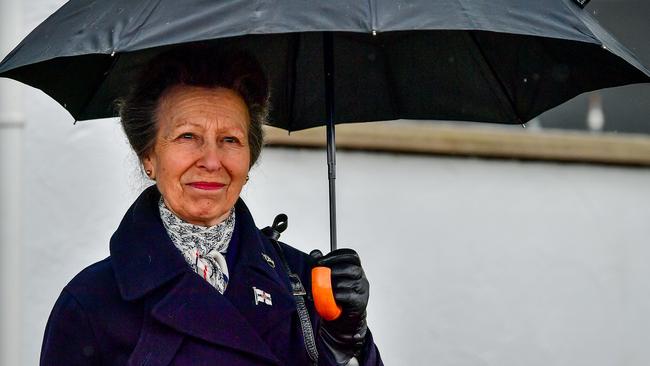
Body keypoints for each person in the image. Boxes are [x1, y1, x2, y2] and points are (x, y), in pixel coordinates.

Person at [40, 45, 383, 366]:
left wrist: (350, 339)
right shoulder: (91, 302)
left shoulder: (307, 284)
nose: (211, 160)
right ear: (149, 156)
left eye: (230, 140)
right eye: (188, 136)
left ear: (249, 161)